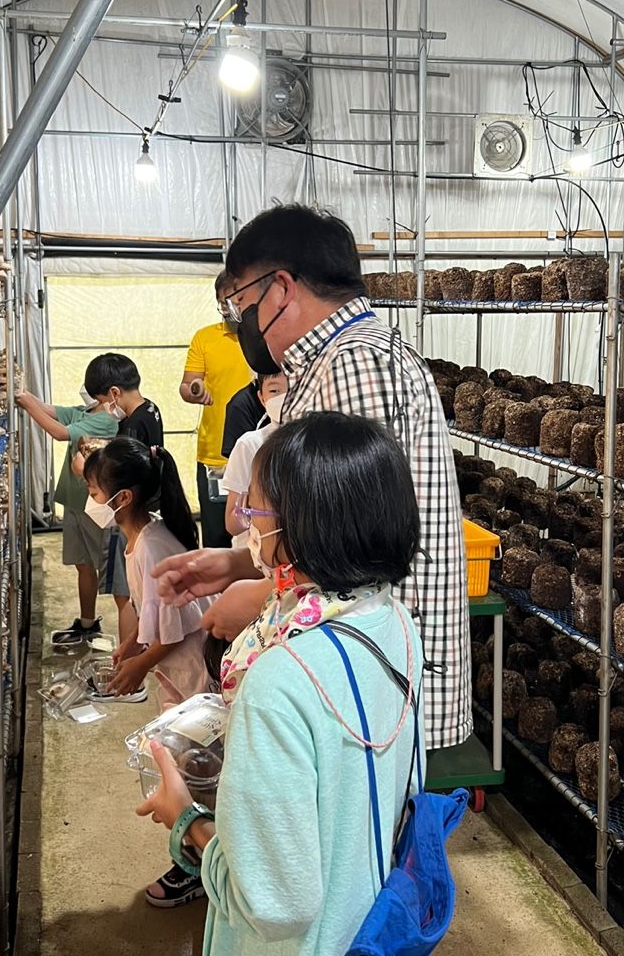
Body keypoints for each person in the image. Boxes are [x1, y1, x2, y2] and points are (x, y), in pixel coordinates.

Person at [137, 412, 460, 956]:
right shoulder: (391, 622)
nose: (245, 520)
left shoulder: (285, 676)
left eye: (256, 506)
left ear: (300, 526)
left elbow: (275, 901)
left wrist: (185, 819)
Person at [156, 205, 472, 752]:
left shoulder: (356, 363)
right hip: (353, 658)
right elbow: (325, 519)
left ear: (280, 288)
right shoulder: (333, 361)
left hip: (375, 671)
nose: (241, 324)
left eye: (242, 306)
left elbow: (359, 544)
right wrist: (238, 561)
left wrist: (258, 598)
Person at [84, 437, 214, 906]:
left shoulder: (151, 547)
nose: (92, 502)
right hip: (177, 674)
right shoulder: (136, 539)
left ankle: (200, 863)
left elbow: (177, 631)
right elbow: (152, 614)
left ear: (124, 498)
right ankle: (195, 856)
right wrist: (130, 645)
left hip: (193, 671)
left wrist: (140, 663)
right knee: (184, 762)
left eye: (96, 492)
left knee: (196, 768)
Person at [17, 355, 122, 648]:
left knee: (109, 568)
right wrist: (24, 394)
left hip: (95, 507)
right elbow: (53, 410)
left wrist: (25, 404)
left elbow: (59, 432)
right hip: (76, 505)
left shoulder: (105, 421)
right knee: (83, 564)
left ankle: (131, 626)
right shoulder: (85, 412)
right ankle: (87, 623)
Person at [72, 352, 165, 640]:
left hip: (130, 520)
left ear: (114, 393)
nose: (103, 409)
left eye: (102, 402)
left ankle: (127, 668)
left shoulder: (132, 425)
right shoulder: (150, 410)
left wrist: (85, 468)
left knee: (125, 597)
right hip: (148, 513)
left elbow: (122, 478)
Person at [181, 271, 252, 548]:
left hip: (255, 453)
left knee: (254, 534)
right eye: (225, 301)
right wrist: (196, 389)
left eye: (237, 300)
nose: (231, 307)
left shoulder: (263, 337)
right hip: (215, 455)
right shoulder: (205, 338)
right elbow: (187, 386)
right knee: (217, 536)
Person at [220, 371, 287, 546]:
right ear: (261, 398)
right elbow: (232, 524)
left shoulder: (316, 443)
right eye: (274, 391)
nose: (284, 397)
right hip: (254, 554)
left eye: (292, 388)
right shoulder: (249, 445)